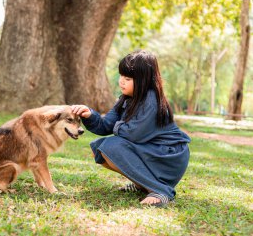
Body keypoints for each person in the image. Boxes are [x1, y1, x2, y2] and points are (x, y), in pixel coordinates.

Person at [71, 50, 191, 207]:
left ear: (144, 80)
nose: (121, 81)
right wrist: (90, 115)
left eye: (127, 78)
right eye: (121, 76)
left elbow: (133, 134)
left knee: (111, 146)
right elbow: (106, 125)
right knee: (100, 149)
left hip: (168, 155)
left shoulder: (151, 100)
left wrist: (118, 126)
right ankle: (142, 185)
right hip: (152, 151)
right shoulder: (126, 99)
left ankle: (161, 191)